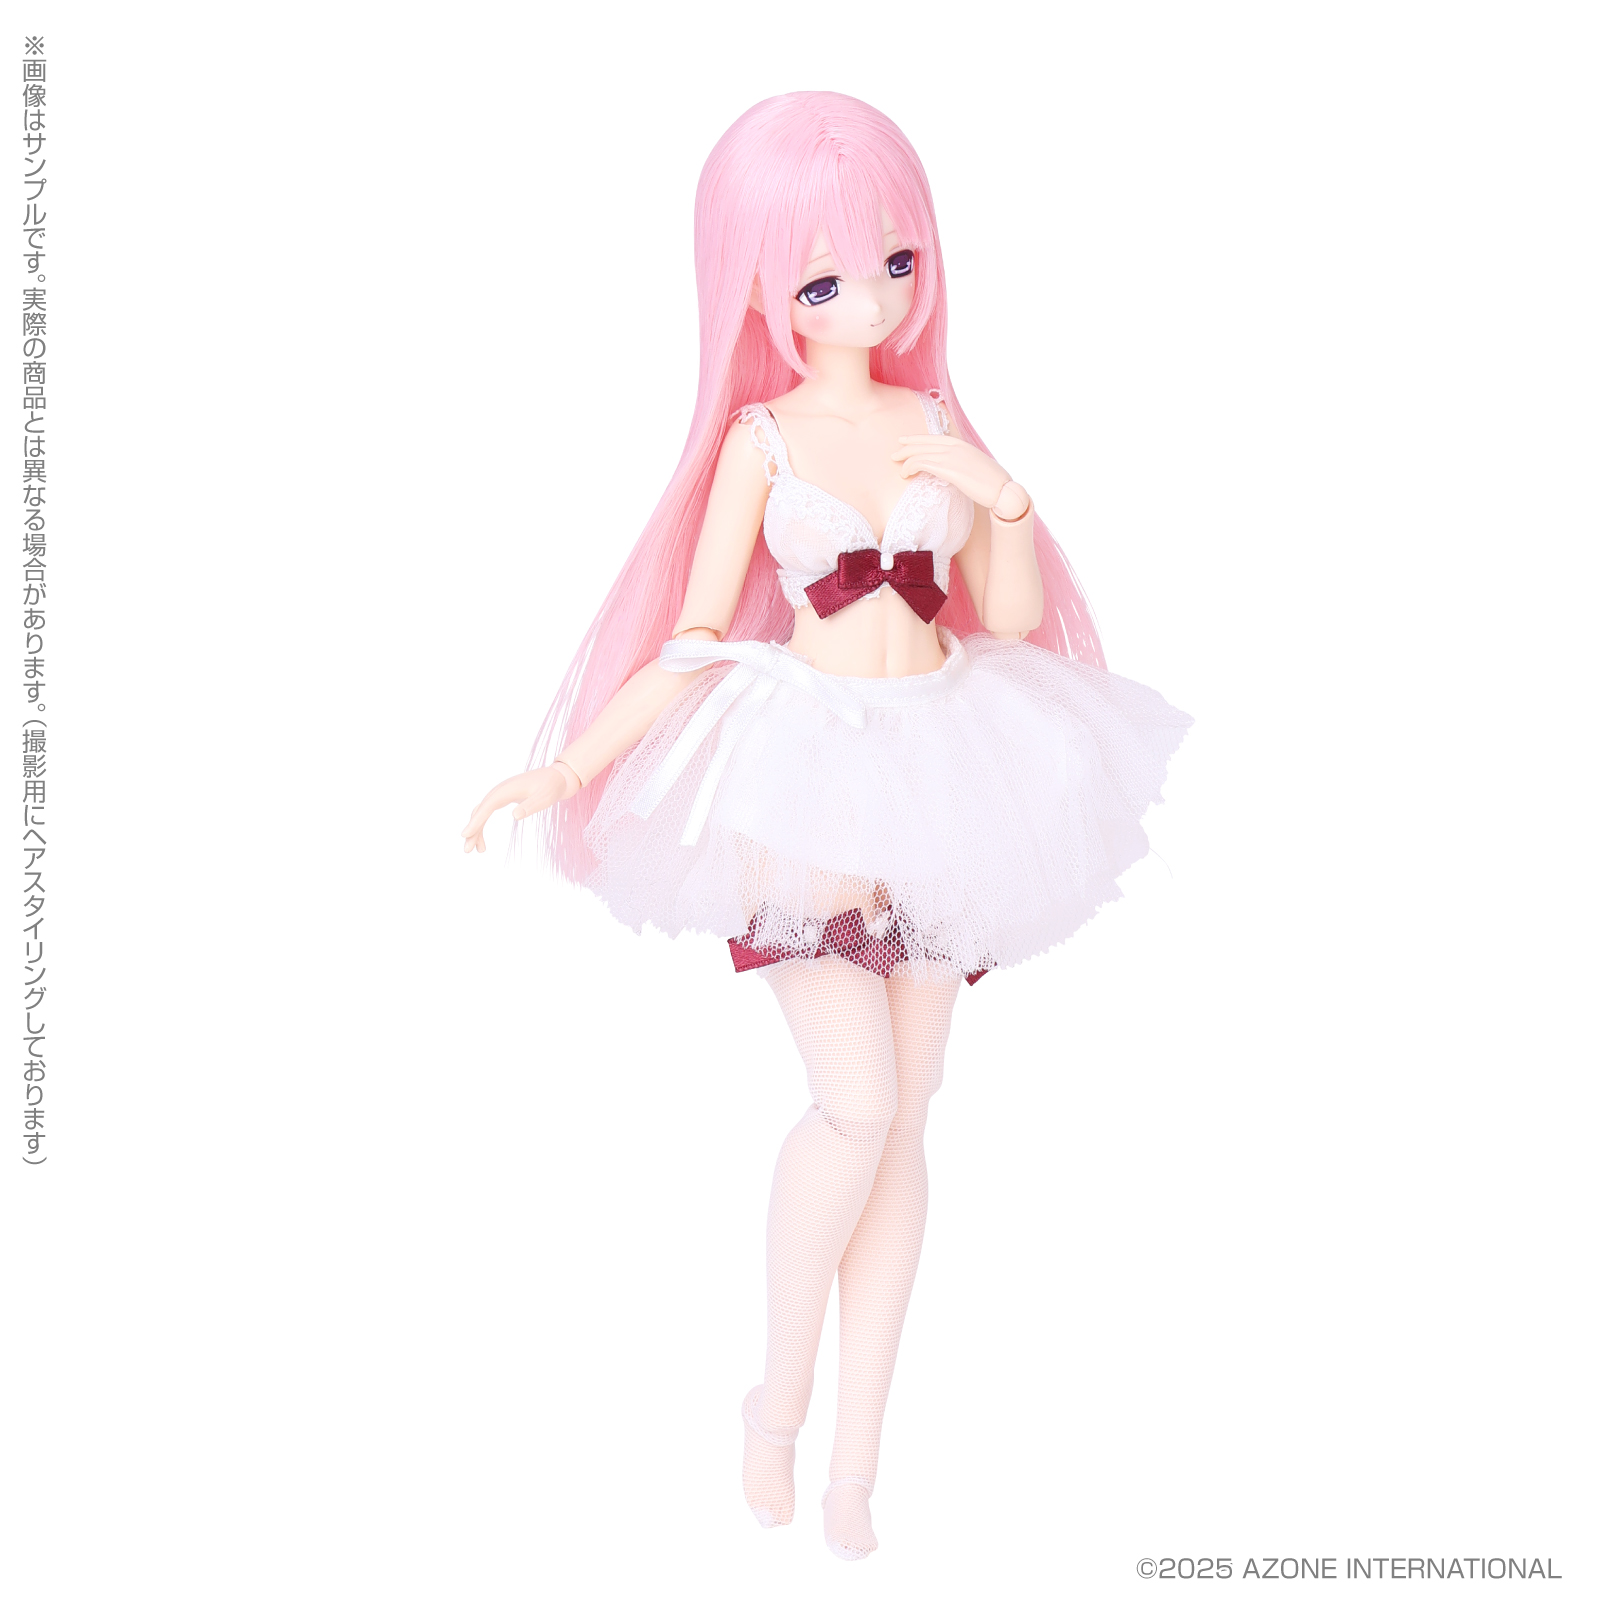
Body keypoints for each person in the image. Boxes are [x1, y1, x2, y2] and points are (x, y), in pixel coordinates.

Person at [462, 90, 1191, 1561]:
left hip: (950, 761)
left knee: (910, 1116)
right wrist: (568, 766)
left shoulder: (935, 424)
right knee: (854, 1101)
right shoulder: (761, 441)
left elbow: (1007, 620)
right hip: (807, 771)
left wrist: (1002, 498)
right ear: (756, 290)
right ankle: (775, 1403)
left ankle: (859, 1463)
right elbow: (691, 638)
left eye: (895, 262)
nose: (869, 298)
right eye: (823, 279)